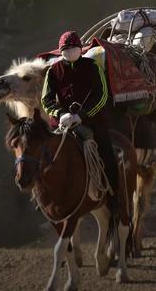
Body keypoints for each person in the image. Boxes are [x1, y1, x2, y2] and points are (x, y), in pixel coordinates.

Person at [41, 30, 119, 201]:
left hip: (92, 120)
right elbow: (46, 100)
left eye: (74, 48)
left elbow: (102, 95)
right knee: (42, 155)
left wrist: (82, 115)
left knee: (108, 156)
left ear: (80, 49)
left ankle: (116, 200)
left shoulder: (92, 66)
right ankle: (43, 197)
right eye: (66, 49)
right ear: (60, 51)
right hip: (63, 123)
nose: (70, 51)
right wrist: (61, 114)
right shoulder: (53, 71)